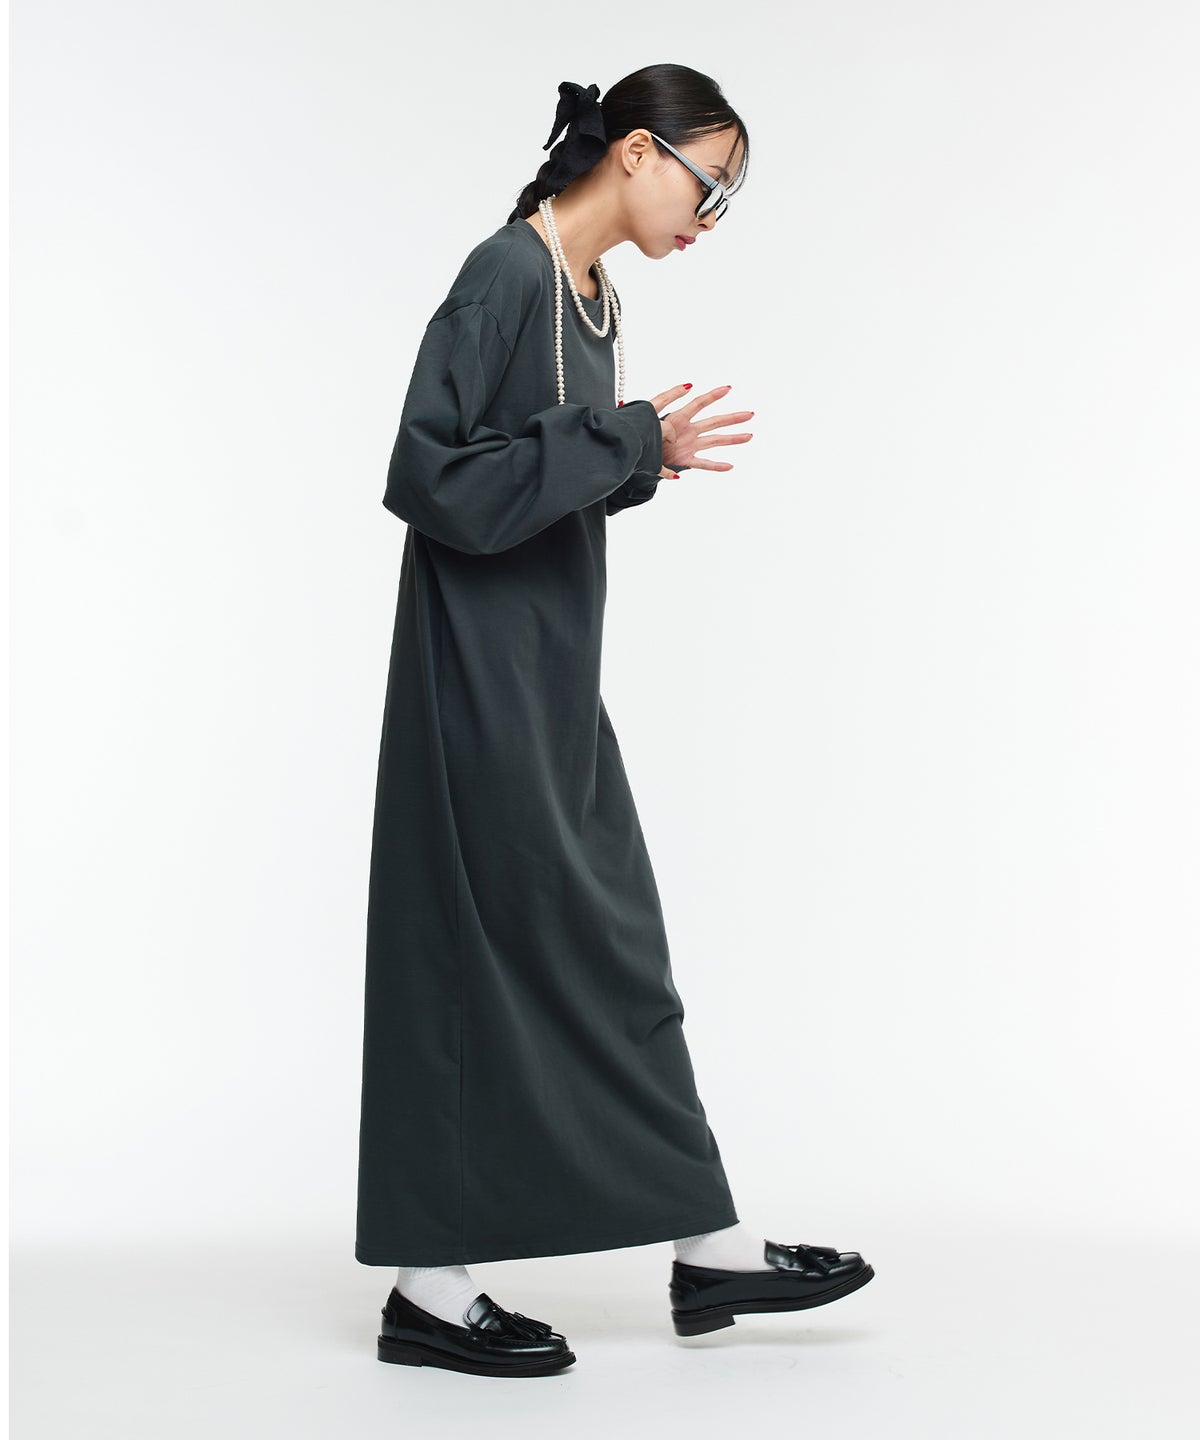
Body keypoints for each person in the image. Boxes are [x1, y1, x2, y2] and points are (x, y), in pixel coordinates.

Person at [357, 63, 874, 1379]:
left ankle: (707, 1249)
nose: (711, 216)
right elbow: (430, 477)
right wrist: (625, 442)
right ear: (637, 152)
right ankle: (429, 1287)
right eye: (710, 185)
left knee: (616, 943)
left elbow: (537, 474)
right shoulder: (506, 274)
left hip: (552, 678)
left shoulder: (596, 294)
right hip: (477, 681)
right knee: (467, 958)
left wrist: (636, 455)